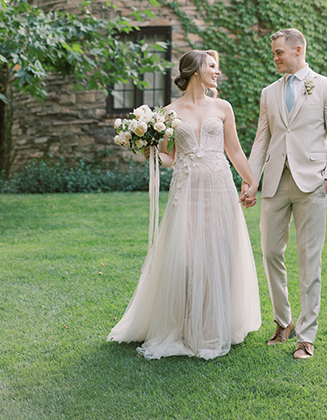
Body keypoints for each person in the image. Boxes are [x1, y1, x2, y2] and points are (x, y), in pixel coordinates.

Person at [107, 49, 261, 360]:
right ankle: (184, 323)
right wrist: (148, 150)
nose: (217, 72)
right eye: (213, 66)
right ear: (195, 70)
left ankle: (212, 325)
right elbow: (169, 157)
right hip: (187, 190)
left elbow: (234, 150)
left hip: (219, 188)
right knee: (187, 256)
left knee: (219, 253)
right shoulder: (169, 112)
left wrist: (252, 180)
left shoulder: (223, 107)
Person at [248, 28, 327, 360]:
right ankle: (284, 321)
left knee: (309, 260)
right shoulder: (268, 93)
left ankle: (306, 337)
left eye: (279, 52)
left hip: (312, 184)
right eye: (273, 53)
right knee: (270, 251)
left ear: (298, 49)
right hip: (275, 183)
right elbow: (263, 140)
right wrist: (252, 180)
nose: (274, 57)